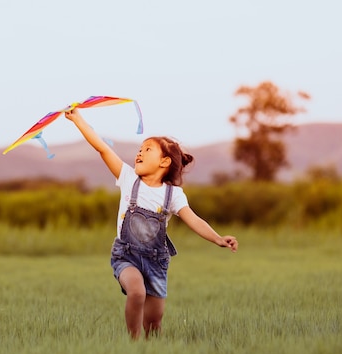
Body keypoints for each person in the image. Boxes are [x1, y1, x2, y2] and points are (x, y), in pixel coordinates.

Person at [65, 108, 238, 340]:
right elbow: (102, 148)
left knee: (154, 323)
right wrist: (77, 119)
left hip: (156, 262)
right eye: (139, 149)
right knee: (136, 293)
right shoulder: (128, 179)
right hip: (127, 256)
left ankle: (150, 350)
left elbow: (194, 219)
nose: (139, 153)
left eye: (147, 149)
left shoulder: (173, 195)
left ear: (164, 162)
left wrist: (218, 238)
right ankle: (133, 343)